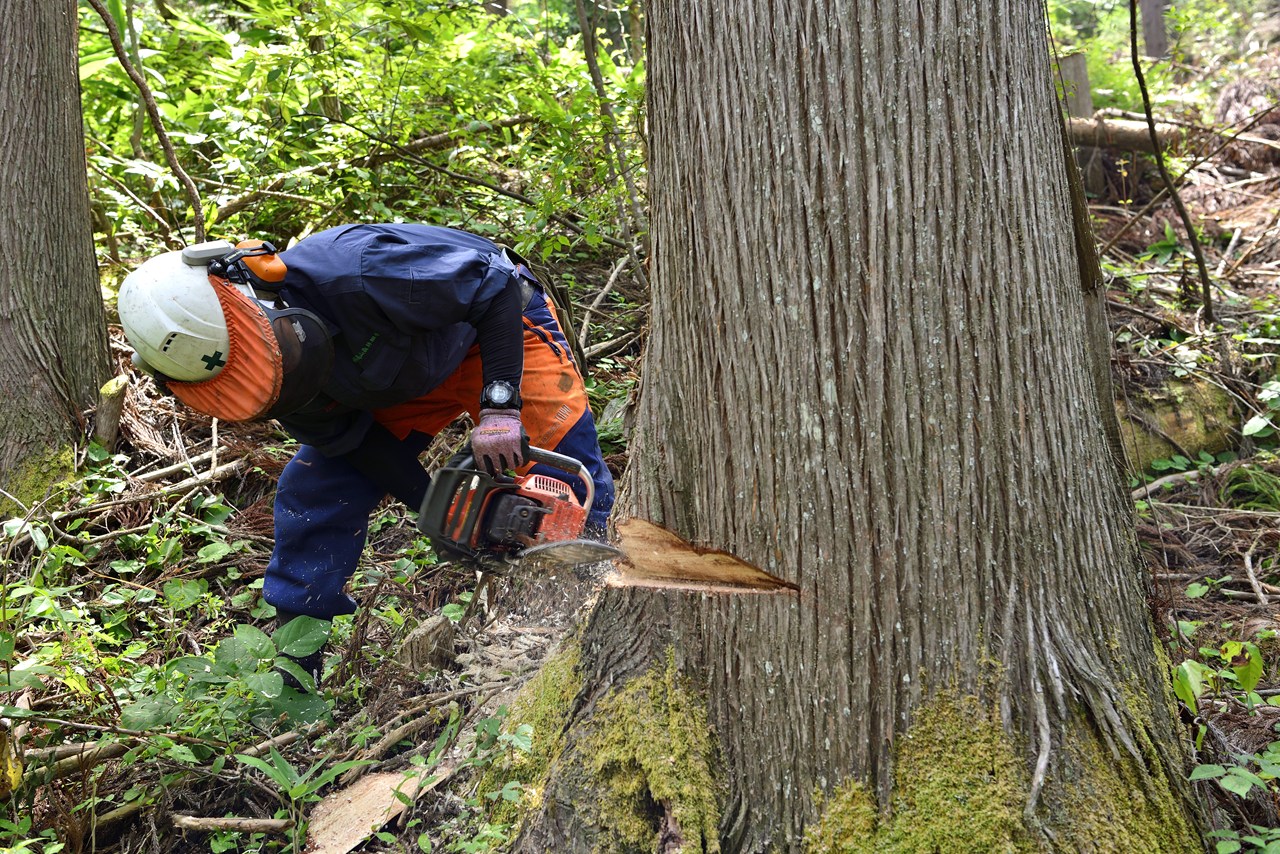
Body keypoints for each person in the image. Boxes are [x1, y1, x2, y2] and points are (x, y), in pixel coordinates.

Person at [118, 223, 615, 681]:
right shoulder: (262, 386)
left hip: (494, 331)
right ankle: (295, 670)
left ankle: (598, 617)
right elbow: (359, 444)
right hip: (390, 381)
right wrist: (443, 512)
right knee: (316, 488)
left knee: (570, 482)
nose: (283, 380)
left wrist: (501, 404)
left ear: (263, 298)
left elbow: (496, 287)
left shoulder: (360, 271)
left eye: (282, 358)